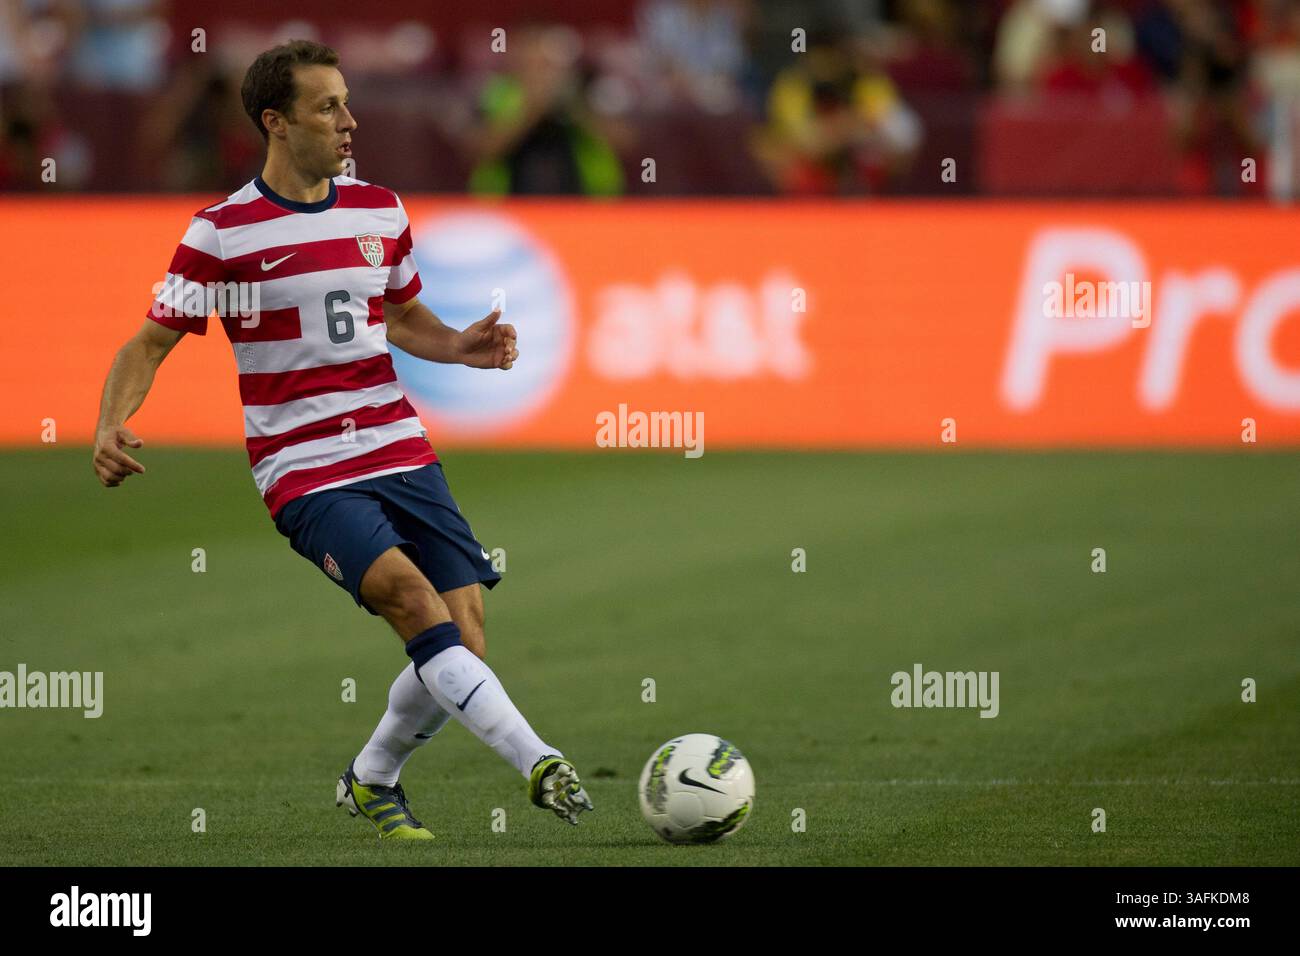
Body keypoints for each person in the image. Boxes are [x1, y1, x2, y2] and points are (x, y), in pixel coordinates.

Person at [90, 39, 593, 840]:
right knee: (411, 599)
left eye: (348, 103)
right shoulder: (221, 233)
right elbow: (147, 343)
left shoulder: (379, 210)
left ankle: (371, 778)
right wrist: (111, 421)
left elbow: (398, 316)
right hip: (302, 467)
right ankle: (539, 761)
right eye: (329, 107)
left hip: (398, 445)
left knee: (463, 630)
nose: (350, 121)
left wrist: (461, 345)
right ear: (276, 122)